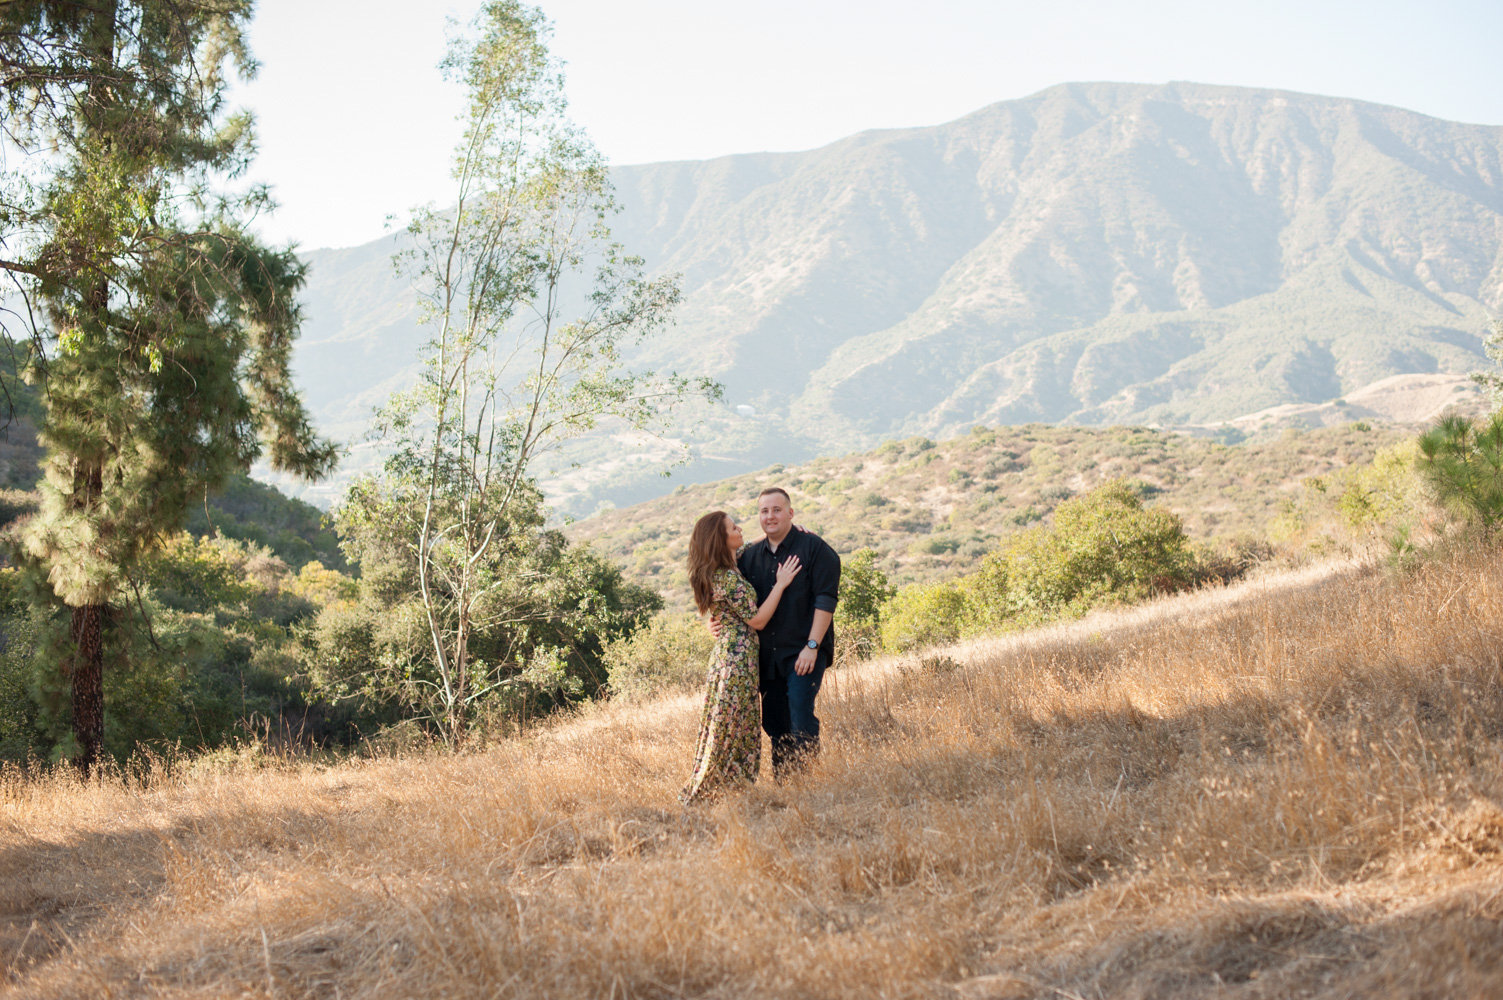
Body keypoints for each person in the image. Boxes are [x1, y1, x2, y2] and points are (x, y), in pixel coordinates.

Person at [681, 510, 801, 804]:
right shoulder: (726, 578)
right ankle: (711, 792)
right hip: (736, 660)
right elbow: (757, 620)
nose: (740, 528)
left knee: (738, 725)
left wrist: (790, 527)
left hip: (739, 657)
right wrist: (781, 584)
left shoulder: (733, 564)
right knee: (730, 727)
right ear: (720, 539)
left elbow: (757, 541)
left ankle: (733, 791)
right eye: (733, 527)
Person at [733, 487, 841, 779]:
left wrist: (813, 645)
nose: (770, 516)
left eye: (777, 510)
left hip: (804, 650)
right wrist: (711, 621)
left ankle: (808, 781)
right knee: (775, 721)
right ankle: (785, 783)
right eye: (764, 511)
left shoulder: (815, 549)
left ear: (790, 513)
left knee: (800, 711)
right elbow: (722, 588)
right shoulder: (749, 558)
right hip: (767, 657)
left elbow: (825, 600)